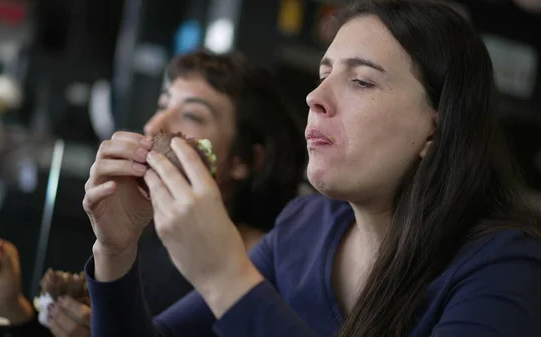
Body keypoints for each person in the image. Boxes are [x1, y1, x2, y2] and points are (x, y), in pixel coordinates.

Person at [83, 1, 541, 337]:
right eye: (324, 73)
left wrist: (226, 276)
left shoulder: (507, 268)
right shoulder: (303, 228)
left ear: (434, 131)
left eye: (361, 81)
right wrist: (115, 251)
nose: (314, 96)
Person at [0, 49, 307, 336]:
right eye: (162, 104)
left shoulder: (270, 267)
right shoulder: (146, 244)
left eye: (192, 115)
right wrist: (14, 308)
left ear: (244, 160)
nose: (154, 126)